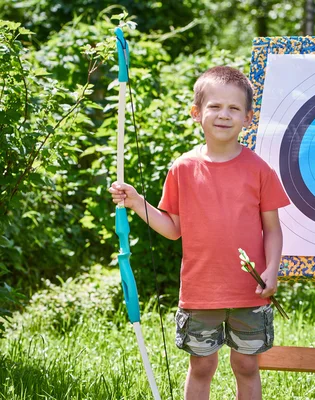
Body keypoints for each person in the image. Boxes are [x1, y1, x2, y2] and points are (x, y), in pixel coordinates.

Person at [109, 66, 290, 400]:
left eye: (234, 108)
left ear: (248, 117)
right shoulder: (183, 168)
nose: (224, 115)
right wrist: (137, 203)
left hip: (251, 291)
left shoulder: (259, 170)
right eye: (215, 107)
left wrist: (272, 270)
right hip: (200, 291)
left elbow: (273, 229)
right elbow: (173, 229)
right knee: (202, 367)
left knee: (247, 367)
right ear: (197, 113)